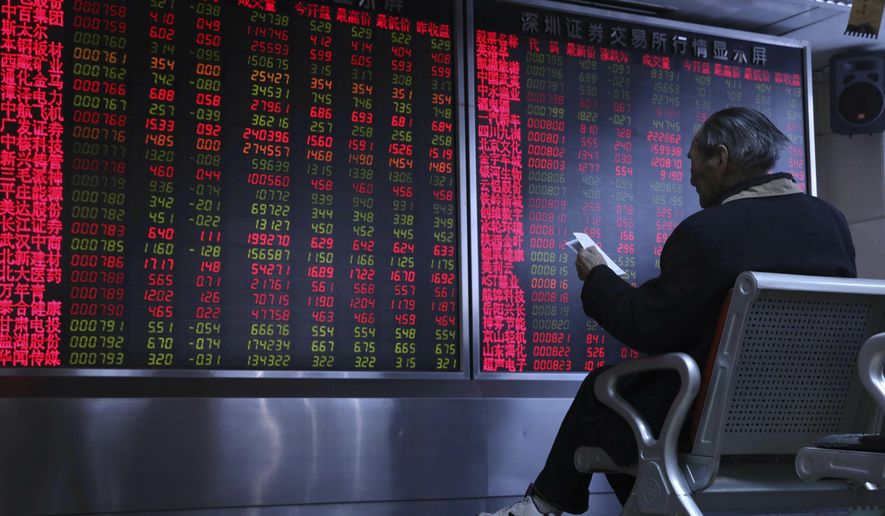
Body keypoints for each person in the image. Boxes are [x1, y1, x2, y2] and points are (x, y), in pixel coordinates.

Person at [480, 107, 857, 516]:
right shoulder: (831, 223)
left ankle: (541, 506)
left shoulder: (707, 232)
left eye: (694, 159)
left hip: (710, 424)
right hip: (812, 425)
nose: (690, 174)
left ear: (721, 158)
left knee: (604, 393)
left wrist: (598, 277)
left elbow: (649, 327)